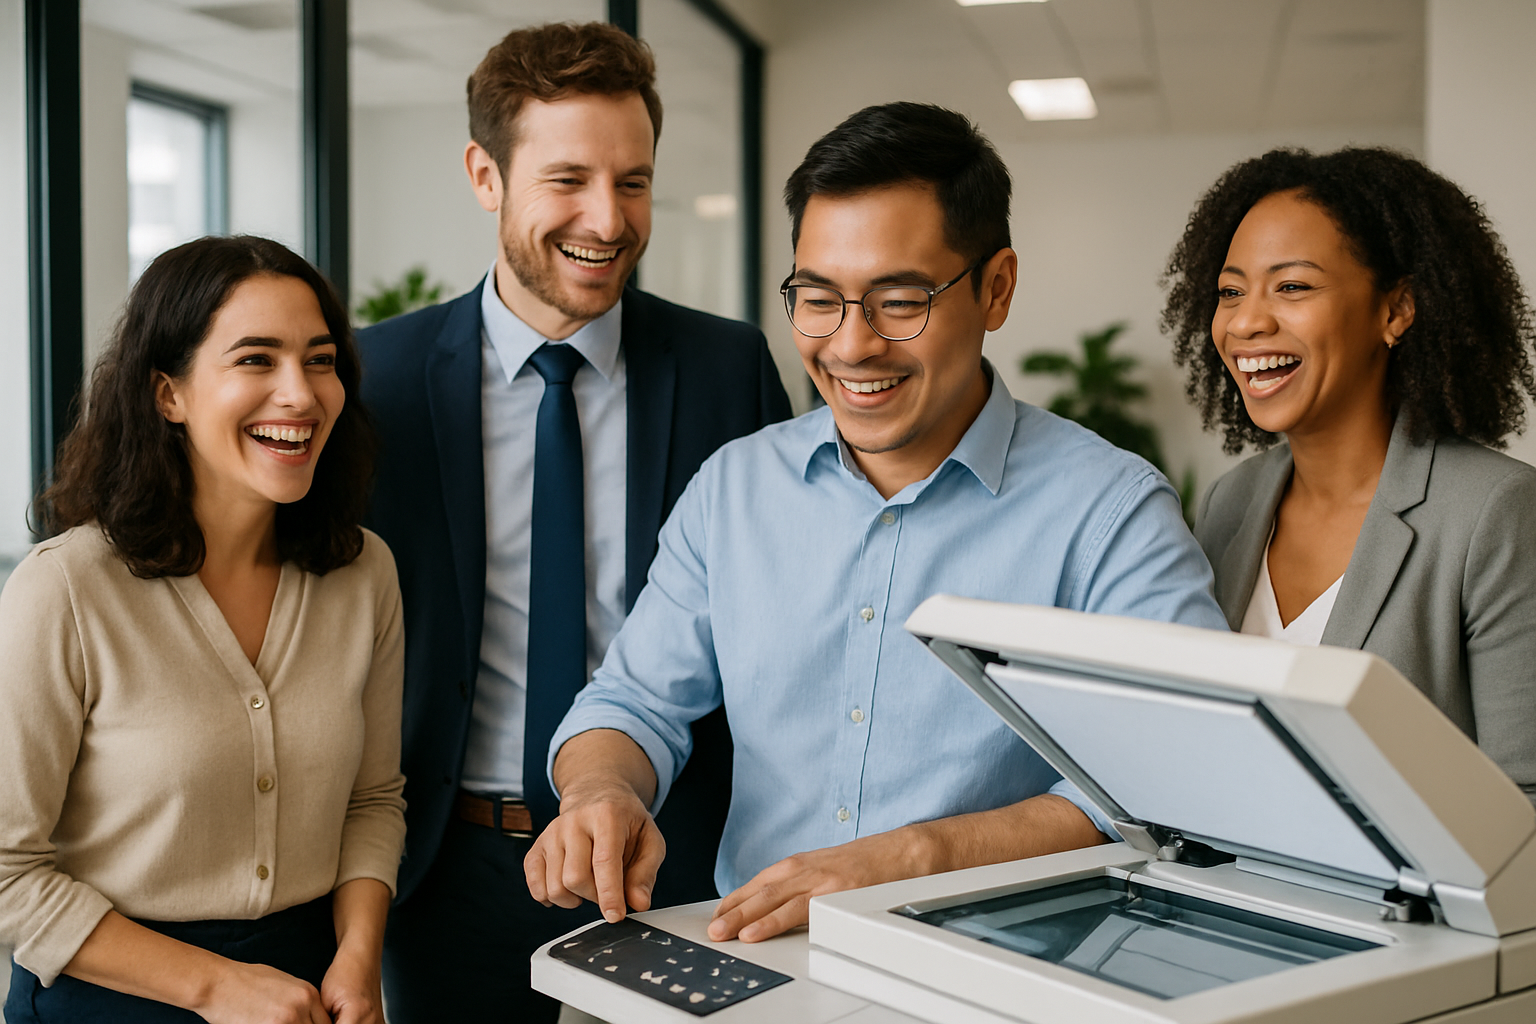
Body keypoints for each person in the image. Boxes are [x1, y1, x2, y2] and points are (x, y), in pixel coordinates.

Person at [526, 101, 1229, 944]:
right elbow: (634, 701)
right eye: (817, 299)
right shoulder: (735, 490)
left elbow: (1174, 777)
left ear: (996, 288)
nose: (851, 345)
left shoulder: (1110, 513)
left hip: (996, 984)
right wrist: (602, 789)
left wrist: (913, 858)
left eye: (899, 302)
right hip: (764, 972)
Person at [357, 21, 791, 1022]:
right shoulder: (377, 381)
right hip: (447, 868)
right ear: (484, 174)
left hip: (666, 856)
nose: (609, 218)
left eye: (633, 181)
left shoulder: (726, 371)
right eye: (568, 181)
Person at [0, 235, 404, 1023]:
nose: (300, 394)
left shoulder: (365, 575)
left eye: (320, 361)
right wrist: (216, 987)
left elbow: (372, 801)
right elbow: (7, 869)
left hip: (310, 992)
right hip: (110, 994)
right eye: (256, 359)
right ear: (168, 394)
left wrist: (358, 960)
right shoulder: (66, 589)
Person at [1163, 146, 1536, 803]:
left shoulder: (1496, 513)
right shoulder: (1232, 504)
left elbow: (1523, 804)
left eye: (1293, 286)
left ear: (1395, 311)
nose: (1247, 321)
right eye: (1230, 291)